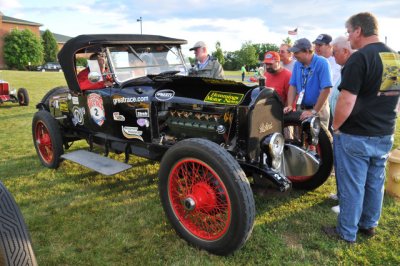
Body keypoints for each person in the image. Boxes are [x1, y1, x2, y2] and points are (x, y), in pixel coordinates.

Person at [323, 12, 400, 244]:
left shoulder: (359, 58)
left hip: (356, 134)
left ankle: (346, 232)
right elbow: (392, 96)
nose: (348, 36)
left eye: (349, 31)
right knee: (375, 182)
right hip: (384, 131)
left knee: (352, 186)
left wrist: (336, 126)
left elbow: (347, 100)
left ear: (359, 30)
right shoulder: (393, 57)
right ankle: (369, 224)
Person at [328, 36, 355, 215]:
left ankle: (346, 204)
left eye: (335, 52)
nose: (333, 55)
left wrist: (337, 125)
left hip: (346, 126)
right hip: (340, 125)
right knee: (340, 164)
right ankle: (341, 194)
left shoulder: (353, 68)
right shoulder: (344, 68)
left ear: (345, 51)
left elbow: (347, 100)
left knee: (348, 168)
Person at [283, 38, 332, 130]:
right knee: (302, 141)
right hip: (302, 108)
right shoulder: (297, 64)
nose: (294, 55)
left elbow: (326, 89)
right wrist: (290, 105)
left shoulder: (322, 63)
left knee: (319, 141)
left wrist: (314, 111)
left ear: (306, 51)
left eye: (296, 52)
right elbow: (293, 85)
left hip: (319, 109)